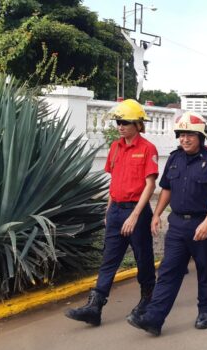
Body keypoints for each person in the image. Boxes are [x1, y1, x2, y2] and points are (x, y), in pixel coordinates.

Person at [127, 111, 207, 336]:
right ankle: (154, 318)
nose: (184, 139)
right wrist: (157, 214)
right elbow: (166, 189)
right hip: (177, 226)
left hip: (202, 226)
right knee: (167, 271)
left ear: (200, 137)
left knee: (205, 270)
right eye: (181, 135)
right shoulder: (175, 158)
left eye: (189, 135)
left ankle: (205, 310)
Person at [65, 99, 158, 326]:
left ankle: (148, 300)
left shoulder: (147, 149)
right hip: (116, 210)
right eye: (118, 121)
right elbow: (113, 181)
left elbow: (150, 185)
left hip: (136, 211)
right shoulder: (115, 148)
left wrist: (135, 215)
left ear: (138, 124)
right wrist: (109, 210)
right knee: (109, 260)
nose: (120, 126)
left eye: (125, 122)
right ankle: (94, 307)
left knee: (143, 258)